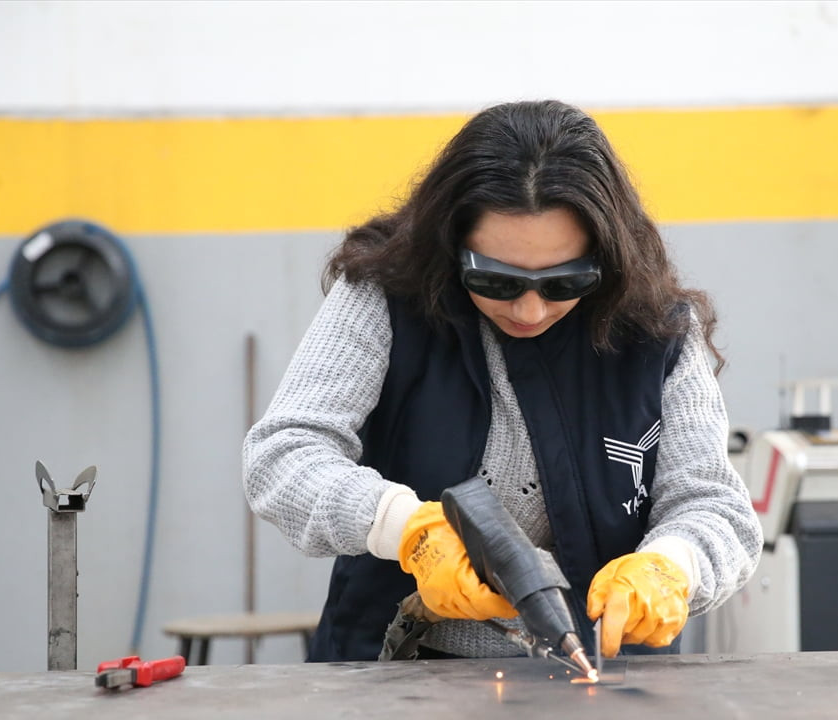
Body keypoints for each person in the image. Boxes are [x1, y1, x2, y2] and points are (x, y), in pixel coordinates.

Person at [243, 99, 762, 663]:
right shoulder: (387, 299)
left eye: (564, 283)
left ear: (606, 258)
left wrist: (675, 563)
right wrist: (403, 527)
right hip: (401, 681)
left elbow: (716, 507)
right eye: (496, 280)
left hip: (607, 686)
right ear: (452, 248)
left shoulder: (654, 333)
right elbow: (285, 454)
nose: (532, 311)